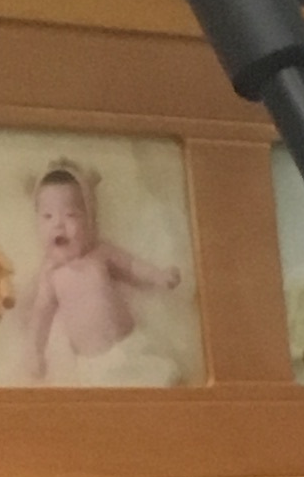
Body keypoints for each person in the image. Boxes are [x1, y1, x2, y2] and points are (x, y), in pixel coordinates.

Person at [16, 159, 183, 382]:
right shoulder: (50, 275)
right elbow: (40, 316)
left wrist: (159, 276)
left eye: (70, 215)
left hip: (130, 347)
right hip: (95, 366)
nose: (58, 224)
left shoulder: (99, 253)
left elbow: (132, 265)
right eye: (47, 216)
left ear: (89, 219)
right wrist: (35, 353)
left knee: (163, 382)